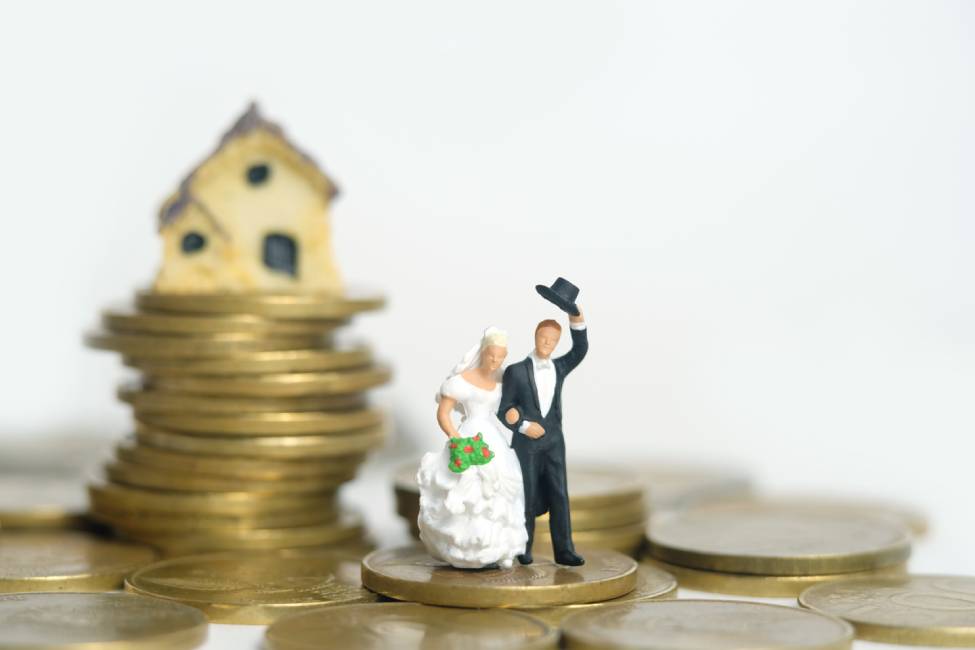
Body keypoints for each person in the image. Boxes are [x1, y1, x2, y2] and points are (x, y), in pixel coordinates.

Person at [416, 327, 528, 569]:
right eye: (491, 356)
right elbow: (443, 413)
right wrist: (455, 438)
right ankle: (462, 546)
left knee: (501, 485)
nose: (495, 361)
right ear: (483, 352)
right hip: (468, 434)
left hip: (493, 437)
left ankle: (500, 546)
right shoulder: (461, 382)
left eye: (500, 357)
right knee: (466, 486)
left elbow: (509, 408)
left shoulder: (502, 380)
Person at [498, 277, 588, 566]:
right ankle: (523, 547)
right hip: (526, 443)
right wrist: (523, 424)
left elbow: (580, 350)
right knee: (526, 493)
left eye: (553, 340)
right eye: (543, 338)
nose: (547, 344)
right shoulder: (516, 371)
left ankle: (564, 550)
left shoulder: (560, 367)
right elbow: (504, 410)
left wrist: (577, 316)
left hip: (554, 441)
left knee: (560, 494)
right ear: (535, 337)